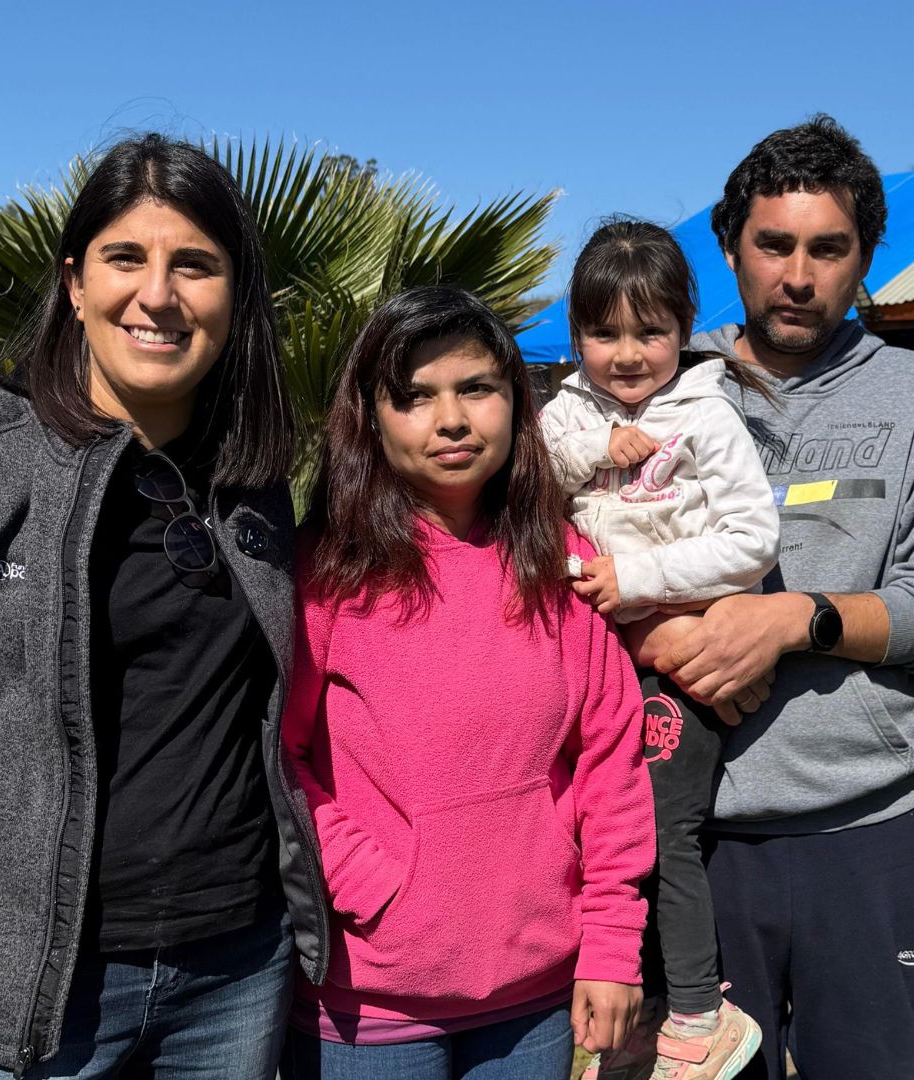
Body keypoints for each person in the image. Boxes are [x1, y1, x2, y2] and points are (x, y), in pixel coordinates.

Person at [0, 133, 327, 1079]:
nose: (159, 295)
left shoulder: (256, 484)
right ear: (75, 282)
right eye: (125, 257)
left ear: (234, 295)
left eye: (196, 266)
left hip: (236, 978)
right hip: (18, 1012)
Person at [620, 116, 914, 1080]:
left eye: (829, 249)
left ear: (865, 256)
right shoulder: (653, 382)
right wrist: (669, 633)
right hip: (692, 852)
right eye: (773, 245)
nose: (799, 274)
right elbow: (561, 556)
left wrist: (798, 619)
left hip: (869, 836)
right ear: (730, 247)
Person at [279, 285, 654, 1080]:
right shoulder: (324, 574)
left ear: (516, 402)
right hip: (371, 1005)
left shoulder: (558, 561)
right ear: (371, 418)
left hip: (533, 995)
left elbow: (610, 759)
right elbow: (278, 756)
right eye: (415, 397)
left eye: (475, 388)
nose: (451, 420)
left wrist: (614, 944)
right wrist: (369, 879)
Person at [538, 219, 778, 1080]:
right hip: (595, 662)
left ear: (685, 327)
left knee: (659, 831)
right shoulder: (567, 413)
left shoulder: (706, 417)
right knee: (590, 832)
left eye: (651, 331)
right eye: (604, 333)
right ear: (576, 337)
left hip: (678, 662)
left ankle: (695, 1015)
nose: (628, 354)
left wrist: (635, 579)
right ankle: (636, 1011)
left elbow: (753, 541)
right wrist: (595, 448)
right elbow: (526, 480)